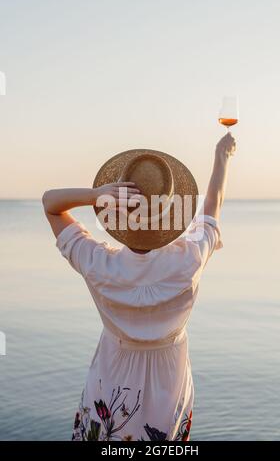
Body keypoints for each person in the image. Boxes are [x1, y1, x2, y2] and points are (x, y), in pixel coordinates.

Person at [42, 132, 236, 441]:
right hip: (169, 382)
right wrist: (221, 157)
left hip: (112, 378)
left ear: (116, 214)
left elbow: (50, 203)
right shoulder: (190, 258)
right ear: (169, 212)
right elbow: (214, 204)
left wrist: (98, 194)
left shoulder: (97, 263)